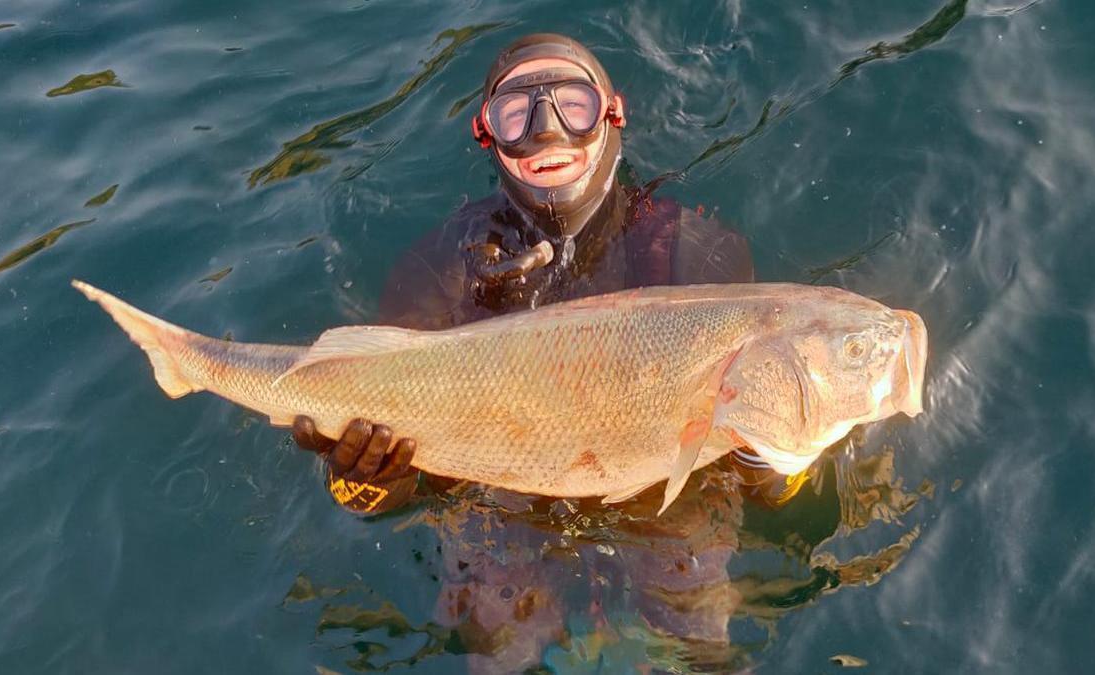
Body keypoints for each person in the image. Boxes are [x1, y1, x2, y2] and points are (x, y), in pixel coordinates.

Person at [292, 33, 813, 671]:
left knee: (694, 639)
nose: (547, 131)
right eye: (519, 111)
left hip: (669, 503)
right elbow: (409, 476)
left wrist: (778, 454)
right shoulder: (437, 271)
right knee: (498, 641)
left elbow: (758, 474)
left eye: (572, 103)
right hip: (500, 508)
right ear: (487, 134)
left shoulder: (695, 255)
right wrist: (368, 480)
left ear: (612, 113)